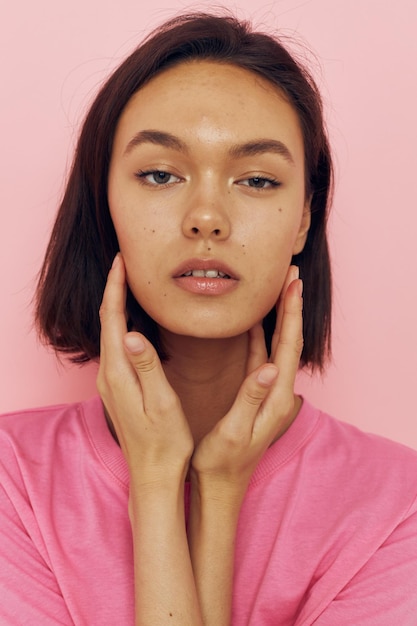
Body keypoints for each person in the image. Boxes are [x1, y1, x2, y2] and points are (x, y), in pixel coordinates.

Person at [1, 11, 416, 626]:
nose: (206, 218)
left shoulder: (398, 506)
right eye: (160, 174)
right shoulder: (13, 481)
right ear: (104, 201)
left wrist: (217, 497)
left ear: (304, 217)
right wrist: (155, 480)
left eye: (255, 179)